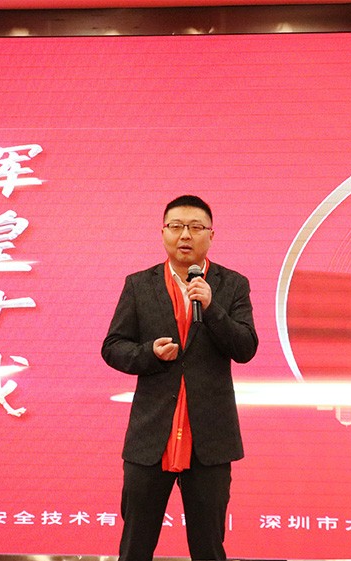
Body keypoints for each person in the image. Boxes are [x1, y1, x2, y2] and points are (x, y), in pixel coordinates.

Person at [102, 194, 259, 561]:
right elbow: (113, 347)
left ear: (211, 235)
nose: (185, 235)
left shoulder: (232, 284)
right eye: (176, 226)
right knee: (135, 547)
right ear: (163, 233)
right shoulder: (139, 285)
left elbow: (246, 347)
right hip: (150, 437)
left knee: (208, 549)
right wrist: (149, 354)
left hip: (210, 440)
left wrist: (212, 308)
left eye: (195, 227)